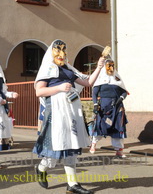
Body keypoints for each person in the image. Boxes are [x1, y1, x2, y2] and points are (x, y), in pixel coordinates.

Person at [33, 39, 105, 194]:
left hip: (71, 111)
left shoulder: (68, 68)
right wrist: (59, 87)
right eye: (58, 50)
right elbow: (39, 91)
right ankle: (40, 168)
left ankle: (72, 185)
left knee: (71, 145)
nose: (61, 53)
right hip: (57, 111)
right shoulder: (47, 68)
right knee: (56, 149)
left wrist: (99, 66)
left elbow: (88, 82)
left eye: (63, 50)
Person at [89, 59, 128, 158]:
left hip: (117, 106)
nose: (111, 68)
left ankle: (119, 150)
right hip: (103, 107)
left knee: (117, 127)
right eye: (109, 66)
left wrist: (120, 99)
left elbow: (124, 92)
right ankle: (93, 144)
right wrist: (95, 105)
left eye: (112, 66)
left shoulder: (117, 78)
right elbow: (94, 93)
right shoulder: (100, 79)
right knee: (100, 126)